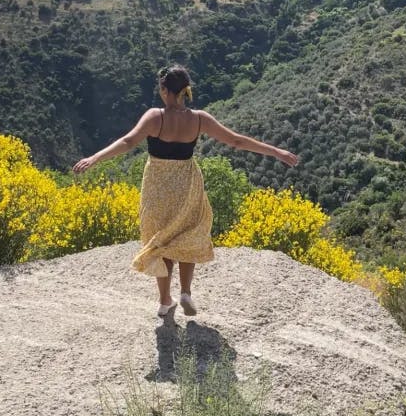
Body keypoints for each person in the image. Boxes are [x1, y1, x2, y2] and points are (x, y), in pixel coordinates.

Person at [73, 65, 298, 320]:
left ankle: (164, 301)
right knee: (188, 233)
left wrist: (95, 157)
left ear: (165, 90)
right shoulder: (199, 119)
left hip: (157, 186)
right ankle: (186, 292)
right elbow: (236, 140)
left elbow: (128, 142)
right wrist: (276, 151)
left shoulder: (155, 117)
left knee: (161, 240)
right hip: (187, 182)